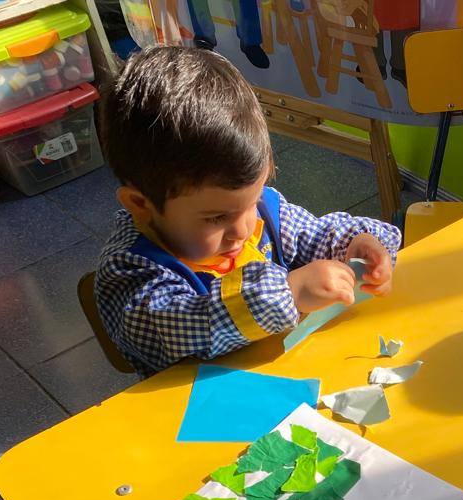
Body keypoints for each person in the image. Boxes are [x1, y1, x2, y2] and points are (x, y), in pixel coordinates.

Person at [95, 46, 399, 375]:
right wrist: (290, 292)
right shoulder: (129, 270)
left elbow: (314, 234)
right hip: (203, 401)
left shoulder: (261, 213)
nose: (243, 229)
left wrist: (355, 245)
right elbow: (179, 328)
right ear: (141, 205)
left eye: (251, 202)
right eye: (216, 218)